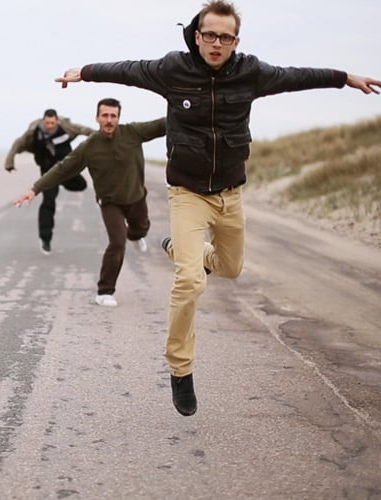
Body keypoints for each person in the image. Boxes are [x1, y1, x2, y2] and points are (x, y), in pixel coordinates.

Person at [54, 0, 381, 417]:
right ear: (197, 36)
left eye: (225, 37)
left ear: (235, 42)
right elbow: (128, 70)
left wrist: (344, 78)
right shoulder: (173, 69)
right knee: (190, 281)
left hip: (230, 195)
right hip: (187, 194)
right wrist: (84, 72)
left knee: (229, 268)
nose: (216, 43)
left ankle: (178, 248)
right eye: (209, 35)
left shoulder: (250, 72)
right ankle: (180, 368)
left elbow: (296, 77)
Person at [14, 99, 166, 308]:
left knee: (140, 229)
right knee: (117, 242)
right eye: (105, 115)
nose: (109, 120)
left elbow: (163, 125)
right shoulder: (89, 146)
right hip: (110, 202)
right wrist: (35, 189)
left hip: (136, 197)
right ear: (97, 118)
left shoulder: (133, 132)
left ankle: (135, 236)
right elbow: (62, 169)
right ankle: (105, 292)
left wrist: (188, 108)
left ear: (118, 118)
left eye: (113, 116)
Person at [4, 109, 93, 255]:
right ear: (43, 121)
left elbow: (86, 130)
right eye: (47, 123)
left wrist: (103, 139)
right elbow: (18, 143)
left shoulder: (67, 126)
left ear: (57, 121)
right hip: (48, 171)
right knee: (48, 201)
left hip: (65, 168)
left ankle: (61, 181)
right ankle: (45, 239)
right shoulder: (34, 132)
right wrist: (9, 162)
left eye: (52, 123)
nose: (50, 126)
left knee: (81, 185)